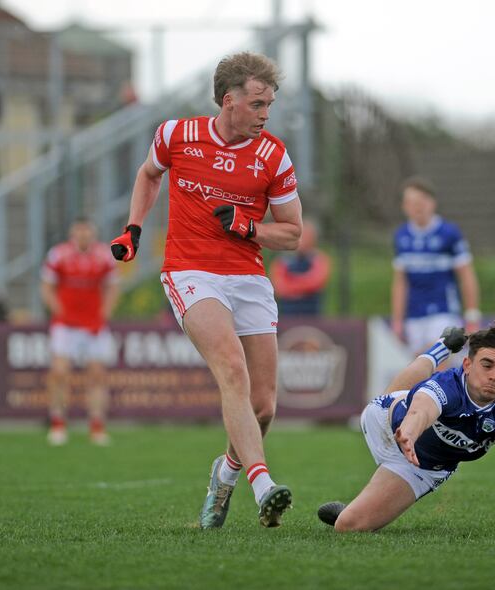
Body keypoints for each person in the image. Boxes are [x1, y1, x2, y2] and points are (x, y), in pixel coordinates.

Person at [110, 52, 302, 529]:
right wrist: (134, 227)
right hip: (191, 271)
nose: (265, 113)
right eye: (257, 103)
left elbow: (293, 233)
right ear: (228, 99)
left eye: (269, 104)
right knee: (231, 367)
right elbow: (148, 174)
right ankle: (263, 486)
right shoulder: (177, 135)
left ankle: (226, 471)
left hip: (249, 276)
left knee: (263, 407)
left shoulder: (273, 155)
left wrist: (246, 225)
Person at [317, 322, 495, 532]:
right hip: (384, 421)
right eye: (487, 365)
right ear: (467, 365)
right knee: (405, 395)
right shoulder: (448, 385)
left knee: (348, 526)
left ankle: (354, 510)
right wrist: (410, 433)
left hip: (419, 467)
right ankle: (441, 348)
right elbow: (422, 410)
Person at [40, 217, 119, 446]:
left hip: (94, 325)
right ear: (73, 234)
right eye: (79, 232)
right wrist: (57, 309)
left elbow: (113, 285)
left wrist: (106, 310)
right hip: (66, 325)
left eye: (87, 232)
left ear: (92, 234)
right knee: (59, 372)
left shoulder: (104, 255)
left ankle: (96, 426)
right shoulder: (59, 254)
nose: (83, 236)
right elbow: (46, 285)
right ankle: (58, 423)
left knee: (96, 374)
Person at [391, 176, 481, 355]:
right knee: (421, 372)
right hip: (414, 314)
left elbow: (466, 275)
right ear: (404, 206)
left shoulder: (449, 233)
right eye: (412, 202)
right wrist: (397, 321)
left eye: (423, 200)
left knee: (437, 357)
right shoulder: (401, 236)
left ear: (433, 203)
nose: (418, 206)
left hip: (444, 311)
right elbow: (401, 282)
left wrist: (472, 315)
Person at [269, 218, 330, 315]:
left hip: (312, 315)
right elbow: (279, 286)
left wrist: (292, 285)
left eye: (306, 236)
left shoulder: (319, 259)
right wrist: (303, 288)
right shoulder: (283, 260)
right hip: (287, 315)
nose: (303, 239)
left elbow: (316, 282)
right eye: (301, 236)